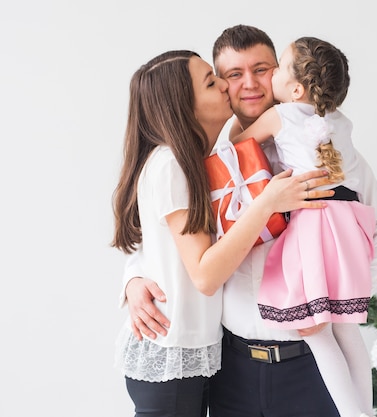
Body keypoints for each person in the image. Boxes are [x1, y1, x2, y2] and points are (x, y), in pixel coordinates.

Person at [122, 25, 377, 417]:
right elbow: (162, 239)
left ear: (284, 77)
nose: (250, 84)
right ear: (219, 85)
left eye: (261, 69)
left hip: (309, 363)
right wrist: (134, 279)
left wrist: (332, 296)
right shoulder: (204, 162)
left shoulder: (325, 150)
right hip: (230, 368)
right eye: (233, 75)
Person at [111, 49, 333, 417]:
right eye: (214, 81)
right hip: (178, 356)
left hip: (213, 358)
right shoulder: (172, 165)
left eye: (261, 70)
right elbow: (203, 273)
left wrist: (334, 297)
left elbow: (164, 247)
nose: (231, 87)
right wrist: (267, 203)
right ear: (184, 104)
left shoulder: (297, 146)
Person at [231, 36, 375, 417]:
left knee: (315, 331)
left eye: (277, 66)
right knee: (346, 328)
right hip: (348, 226)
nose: (272, 73)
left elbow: (237, 146)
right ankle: (363, 412)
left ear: (295, 88)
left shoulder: (282, 115)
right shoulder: (342, 122)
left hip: (313, 227)